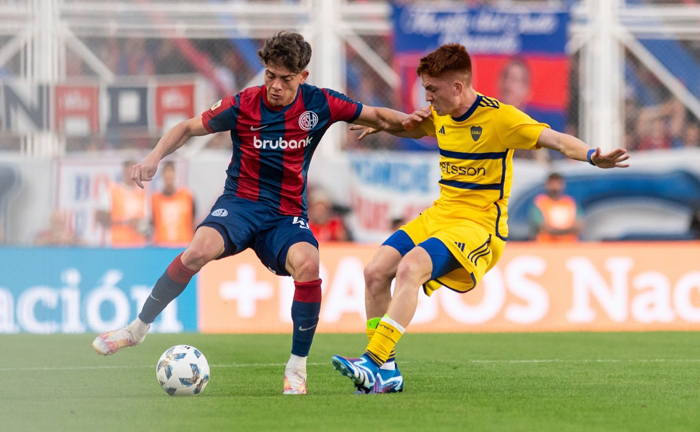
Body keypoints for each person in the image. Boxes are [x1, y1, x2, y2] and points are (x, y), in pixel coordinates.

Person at [91, 31, 410, 395]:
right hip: (240, 205)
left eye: (285, 79)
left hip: (286, 214)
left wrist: (426, 122)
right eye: (269, 75)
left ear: (302, 77)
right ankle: (136, 329)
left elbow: (380, 115)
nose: (275, 86)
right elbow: (185, 128)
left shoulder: (320, 103)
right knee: (196, 250)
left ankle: (297, 369)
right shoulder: (244, 104)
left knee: (309, 263)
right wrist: (153, 157)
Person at [331, 43, 630, 393]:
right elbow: (417, 127)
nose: (427, 97)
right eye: (426, 89)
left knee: (411, 267)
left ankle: (371, 362)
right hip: (441, 214)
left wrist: (594, 155)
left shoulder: (501, 118)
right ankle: (388, 370)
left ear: (458, 87)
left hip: (479, 226)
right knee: (374, 272)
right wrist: (390, 127)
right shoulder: (441, 112)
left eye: (432, 89)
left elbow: (557, 140)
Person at [96, 160, 150, 247]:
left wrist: (141, 226)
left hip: (139, 247)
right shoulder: (112, 191)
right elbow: (100, 218)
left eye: (134, 171)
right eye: (129, 170)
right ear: (124, 171)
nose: (131, 174)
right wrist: (126, 222)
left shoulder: (142, 195)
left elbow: (148, 223)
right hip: (118, 246)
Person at [151, 161, 195, 247]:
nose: (169, 177)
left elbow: (194, 220)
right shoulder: (155, 198)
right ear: (162, 176)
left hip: (183, 244)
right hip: (161, 245)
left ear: (175, 175)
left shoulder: (187, 196)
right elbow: (152, 222)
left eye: (171, 173)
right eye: (166, 173)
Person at [529, 172, 583, 242]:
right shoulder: (540, 202)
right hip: (546, 247)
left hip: (569, 246)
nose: (555, 187)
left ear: (563, 185)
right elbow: (542, 227)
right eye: (552, 184)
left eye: (558, 183)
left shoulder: (570, 203)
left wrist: (555, 231)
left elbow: (579, 226)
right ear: (546, 185)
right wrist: (568, 230)